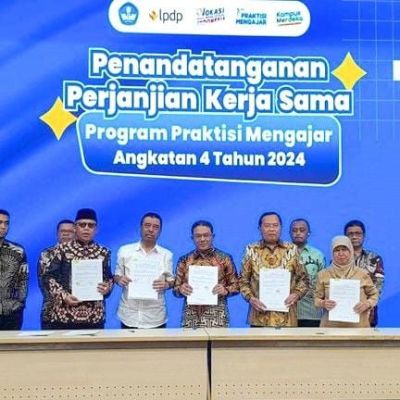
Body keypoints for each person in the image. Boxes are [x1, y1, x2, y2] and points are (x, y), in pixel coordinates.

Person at [44, 208, 113, 329]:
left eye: (90, 225)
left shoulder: (104, 252)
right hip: (65, 315)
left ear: (96, 229)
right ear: (75, 228)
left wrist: (107, 287)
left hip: (94, 316)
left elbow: (109, 278)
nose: (86, 228)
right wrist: (63, 296)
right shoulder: (62, 249)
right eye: (82, 225)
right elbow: (49, 278)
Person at [240, 212, 308, 327]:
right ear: (259, 228)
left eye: (275, 225)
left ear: (281, 228)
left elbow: (304, 279)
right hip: (259, 317)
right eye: (267, 226)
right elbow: (242, 281)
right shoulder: (251, 250)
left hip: (287, 318)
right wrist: (251, 299)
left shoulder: (292, 250)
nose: (271, 229)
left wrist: (296, 294)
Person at [174, 220, 239, 328]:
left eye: (206, 235)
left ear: (213, 236)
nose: (202, 239)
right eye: (198, 236)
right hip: (190, 317)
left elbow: (236, 286)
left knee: (218, 340)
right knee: (190, 340)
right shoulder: (184, 260)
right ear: (192, 238)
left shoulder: (224, 258)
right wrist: (181, 289)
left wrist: (225, 290)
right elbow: (175, 290)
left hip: (217, 316)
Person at [114, 212, 174, 329]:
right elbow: (117, 275)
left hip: (155, 316)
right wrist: (119, 279)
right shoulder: (125, 251)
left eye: (155, 227)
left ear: (160, 231)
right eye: (147, 225)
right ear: (140, 228)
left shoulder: (167, 255)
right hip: (128, 314)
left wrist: (166, 285)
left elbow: (171, 280)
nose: (151, 230)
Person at [314, 235, 378, 328]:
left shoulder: (362, 274)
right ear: (332, 253)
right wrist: (323, 303)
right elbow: (316, 299)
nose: (340, 253)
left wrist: (367, 304)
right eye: (337, 250)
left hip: (359, 327)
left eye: (344, 249)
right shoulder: (323, 274)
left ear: (351, 251)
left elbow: (374, 295)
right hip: (330, 327)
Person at [344, 220, 384, 327]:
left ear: (364, 236)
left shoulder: (375, 259)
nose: (354, 237)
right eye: (350, 234)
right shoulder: (338, 259)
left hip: (368, 311)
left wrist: (367, 303)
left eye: (358, 233)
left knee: (367, 337)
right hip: (344, 311)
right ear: (345, 237)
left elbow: (378, 286)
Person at [37, 219, 75, 329]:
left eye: (70, 231)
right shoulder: (47, 254)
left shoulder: (84, 254)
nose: (66, 234)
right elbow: (44, 282)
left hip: (79, 313)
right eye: (62, 231)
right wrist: (64, 296)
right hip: (51, 313)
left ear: (76, 233)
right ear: (57, 233)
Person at [290, 218, 325, 327]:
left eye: (302, 230)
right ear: (290, 233)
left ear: (308, 233)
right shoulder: (283, 254)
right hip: (287, 312)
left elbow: (323, 283)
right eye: (294, 230)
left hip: (311, 312)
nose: (298, 233)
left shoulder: (318, 255)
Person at [0, 209, 28, 330]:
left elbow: (23, 279)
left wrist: (19, 304)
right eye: (0, 222)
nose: (3, 226)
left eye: (6, 223)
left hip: (11, 314)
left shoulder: (18, 250)